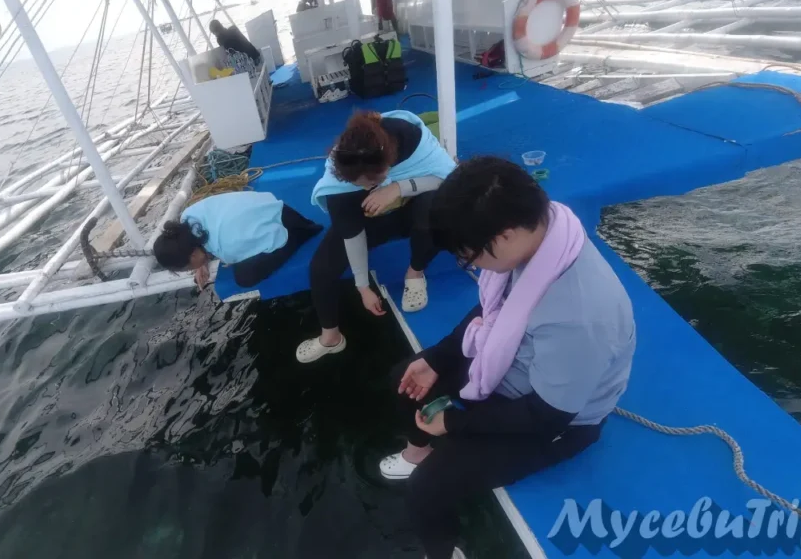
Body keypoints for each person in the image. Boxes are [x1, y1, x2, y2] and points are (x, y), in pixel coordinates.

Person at [379, 157, 636, 559]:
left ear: (506, 235)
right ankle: (419, 451)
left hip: (556, 421)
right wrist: (437, 358)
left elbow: (547, 415)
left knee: (428, 488)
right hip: (511, 368)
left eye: (469, 255)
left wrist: (455, 423)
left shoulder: (579, 314)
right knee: (406, 379)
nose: (470, 265)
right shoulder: (543, 233)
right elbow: (492, 310)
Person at [295, 110, 456, 363]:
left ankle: (415, 272)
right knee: (320, 268)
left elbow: (448, 177)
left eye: (369, 183)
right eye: (357, 184)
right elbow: (351, 232)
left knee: (434, 208)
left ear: (388, 164)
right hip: (373, 218)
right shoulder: (340, 173)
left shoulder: (411, 138)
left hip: (412, 205)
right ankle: (331, 337)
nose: (363, 188)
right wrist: (362, 286)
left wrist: (397, 187)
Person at [153, 191, 322, 289]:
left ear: (192, 255)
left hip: (285, 223)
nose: (192, 269)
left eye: (189, 267)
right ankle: (304, 227)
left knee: (244, 277)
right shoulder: (188, 216)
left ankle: (303, 234)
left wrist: (204, 260)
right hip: (269, 203)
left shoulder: (228, 249)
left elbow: (275, 239)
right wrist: (201, 263)